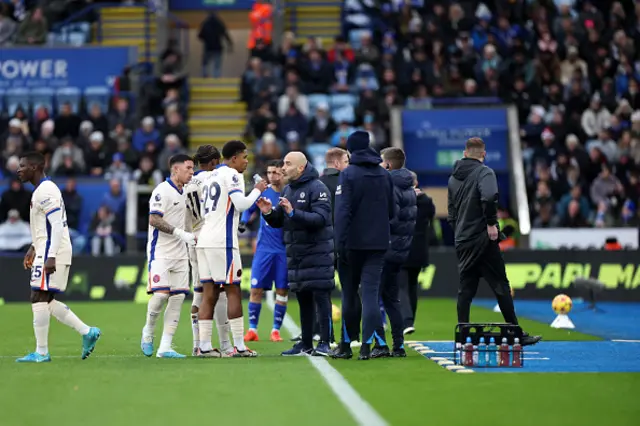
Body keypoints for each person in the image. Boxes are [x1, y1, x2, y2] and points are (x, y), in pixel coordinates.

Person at [447, 138, 541, 346]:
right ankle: (516, 332)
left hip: (463, 240)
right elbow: (489, 197)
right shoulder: (485, 172)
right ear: (483, 154)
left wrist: (460, 232)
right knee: (500, 285)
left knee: (466, 288)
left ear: (464, 153)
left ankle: (462, 333)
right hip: (483, 239)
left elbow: (451, 213)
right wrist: (491, 223)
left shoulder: (453, 178)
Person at [16, 152, 101, 363]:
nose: (19, 170)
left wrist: (50, 256)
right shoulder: (43, 189)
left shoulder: (45, 190)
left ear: (34, 167)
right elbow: (44, 226)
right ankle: (86, 331)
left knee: (38, 296)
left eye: (23, 166)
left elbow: (56, 225)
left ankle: (42, 352)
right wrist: (33, 246)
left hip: (52, 250)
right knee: (46, 299)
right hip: (46, 248)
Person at [256, 152, 335, 356]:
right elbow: (281, 220)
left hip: (317, 254)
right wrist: (268, 213)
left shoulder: (318, 188)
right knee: (303, 300)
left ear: (300, 168)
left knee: (321, 300)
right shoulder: (290, 189)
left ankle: (325, 342)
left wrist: (293, 213)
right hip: (297, 255)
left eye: (288, 164)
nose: (283, 167)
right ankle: (306, 343)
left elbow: (321, 219)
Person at [196, 140, 267, 357]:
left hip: (204, 240)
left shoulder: (208, 177)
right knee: (233, 290)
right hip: (222, 242)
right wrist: (257, 190)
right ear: (233, 158)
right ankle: (239, 346)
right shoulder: (231, 174)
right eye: (244, 157)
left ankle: (205, 346)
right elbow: (242, 204)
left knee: (209, 293)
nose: (246, 162)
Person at [333, 131, 395, 360]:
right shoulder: (384, 174)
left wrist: (339, 245)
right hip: (378, 243)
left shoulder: (348, 175)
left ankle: (346, 346)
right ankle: (370, 347)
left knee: (349, 295)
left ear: (350, 150)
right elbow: (392, 211)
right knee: (370, 295)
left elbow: (342, 213)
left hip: (352, 244)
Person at [140, 154, 196, 359]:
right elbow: (154, 219)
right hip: (161, 251)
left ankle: (165, 347)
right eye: (189, 168)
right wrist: (180, 234)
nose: (192, 172)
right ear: (175, 170)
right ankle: (148, 331)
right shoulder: (161, 191)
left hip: (181, 253)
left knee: (178, 297)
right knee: (161, 295)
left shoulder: (186, 190)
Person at [184, 145, 232, 356]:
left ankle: (198, 344)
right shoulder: (215, 178)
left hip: (192, 239)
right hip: (212, 237)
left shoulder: (187, 183)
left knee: (198, 291)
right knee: (219, 291)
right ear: (214, 161)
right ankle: (226, 344)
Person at [372, 147, 417, 358]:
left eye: (382, 162)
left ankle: (380, 344)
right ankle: (398, 345)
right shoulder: (408, 185)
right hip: (401, 249)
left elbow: (391, 217)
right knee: (391, 299)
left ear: (388, 164)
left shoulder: (389, 185)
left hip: (386, 248)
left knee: (372, 296)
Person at [241, 160, 289, 343]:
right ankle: (252, 329)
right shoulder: (264, 191)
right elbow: (249, 209)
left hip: (283, 248)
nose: (271, 176)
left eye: (276, 172)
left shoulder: (289, 192)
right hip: (264, 249)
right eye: (269, 172)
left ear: (283, 174)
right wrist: (244, 222)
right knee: (256, 288)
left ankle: (275, 330)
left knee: (282, 290)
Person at [401, 171, 435, 335]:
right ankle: (410, 320)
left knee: (401, 285)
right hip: (419, 248)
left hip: (402, 246)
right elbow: (431, 217)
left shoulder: (401, 199)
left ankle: (406, 321)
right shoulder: (426, 200)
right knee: (412, 286)